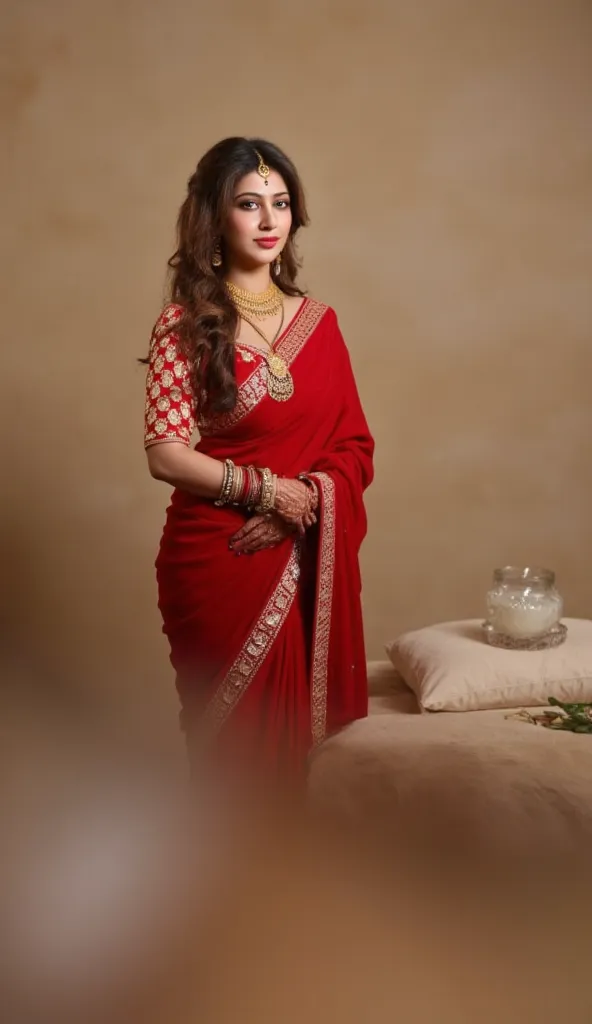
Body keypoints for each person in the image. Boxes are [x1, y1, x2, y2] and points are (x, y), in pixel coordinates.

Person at [143, 137, 374, 774]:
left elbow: (353, 445)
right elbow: (165, 452)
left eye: (281, 203)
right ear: (217, 217)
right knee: (233, 762)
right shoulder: (186, 322)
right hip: (218, 560)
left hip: (298, 555)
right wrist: (271, 493)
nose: (270, 220)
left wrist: (303, 505)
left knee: (301, 767)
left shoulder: (320, 323)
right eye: (250, 204)